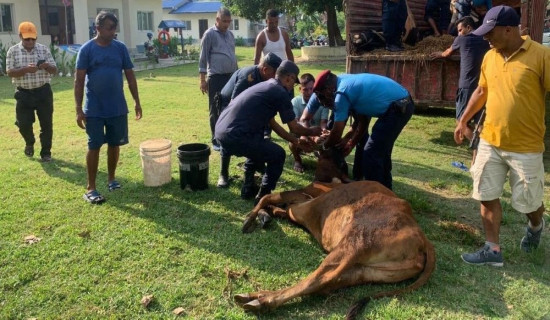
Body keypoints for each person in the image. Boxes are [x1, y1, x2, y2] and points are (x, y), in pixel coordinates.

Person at [454, 5, 550, 266]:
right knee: (485, 192)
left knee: (529, 203)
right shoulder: (490, 56)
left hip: (526, 146)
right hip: (490, 140)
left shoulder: (541, 56)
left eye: (490, 32)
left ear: (509, 29)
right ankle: (492, 250)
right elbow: (481, 91)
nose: (486, 38)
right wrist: (463, 120)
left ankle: (536, 225)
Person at [215, 61, 321, 204]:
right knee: (278, 154)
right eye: (293, 83)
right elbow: (294, 128)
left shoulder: (266, 86)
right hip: (236, 136)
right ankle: (264, 195)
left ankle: (248, 187)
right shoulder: (280, 92)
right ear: (289, 78)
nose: (292, 87)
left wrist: (296, 141)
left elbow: (273, 123)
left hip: (221, 132)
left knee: (259, 144)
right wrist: (313, 131)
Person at [302, 70, 414, 190]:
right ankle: (386, 189)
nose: (325, 102)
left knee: (371, 153)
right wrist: (307, 136)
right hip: (400, 103)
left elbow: (337, 132)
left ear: (329, 89)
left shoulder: (341, 93)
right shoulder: (327, 89)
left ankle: (376, 194)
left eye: (325, 99)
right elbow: (363, 121)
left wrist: (324, 147)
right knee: (381, 152)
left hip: (398, 107)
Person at [74, 11, 143, 204]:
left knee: (115, 144)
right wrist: (79, 109)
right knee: (94, 145)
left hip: (117, 107)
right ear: (98, 28)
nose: (114, 31)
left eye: (115, 27)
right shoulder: (87, 50)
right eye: (110, 28)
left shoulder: (120, 48)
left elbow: (130, 76)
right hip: (94, 108)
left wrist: (137, 101)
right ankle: (91, 188)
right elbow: (79, 81)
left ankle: (112, 179)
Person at [216, 52, 282, 188]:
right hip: (229, 106)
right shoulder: (249, 76)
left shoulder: (266, 79)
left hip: (245, 108)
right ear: (265, 69)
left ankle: (256, 165)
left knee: (256, 134)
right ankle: (223, 174)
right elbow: (234, 104)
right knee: (229, 134)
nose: (277, 78)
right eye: (275, 73)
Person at [431, 16, 489, 142]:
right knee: (479, 122)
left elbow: (447, 53)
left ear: (468, 27)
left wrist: (439, 54)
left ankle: (478, 145)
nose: (458, 33)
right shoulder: (485, 39)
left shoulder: (462, 39)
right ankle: (480, 150)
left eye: (460, 30)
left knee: (461, 120)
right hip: (483, 86)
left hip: (466, 85)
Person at [6, 21, 58, 162]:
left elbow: (54, 70)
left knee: (46, 124)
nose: (30, 41)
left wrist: (46, 66)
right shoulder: (13, 51)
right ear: (20, 36)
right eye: (26, 38)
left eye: (32, 38)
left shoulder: (43, 50)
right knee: (23, 124)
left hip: (43, 92)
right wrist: (25, 70)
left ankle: (46, 152)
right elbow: (10, 72)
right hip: (23, 93)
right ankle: (29, 142)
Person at [199, 7, 238, 152]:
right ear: (217, 20)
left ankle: (226, 136)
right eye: (224, 21)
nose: (226, 24)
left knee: (230, 107)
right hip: (216, 77)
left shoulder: (230, 35)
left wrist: (237, 74)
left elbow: (232, 56)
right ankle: (215, 139)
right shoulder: (209, 34)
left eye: (229, 21)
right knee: (215, 108)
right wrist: (202, 79)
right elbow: (203, 58)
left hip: (231, 76)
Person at [289, 73, 329, 173]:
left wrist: (324, 131)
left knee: (328, 138)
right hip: (302, 133)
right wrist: (309, 136)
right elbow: (296, 123)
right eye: (305, 89)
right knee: (292, 138)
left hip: (316, 134)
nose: (309, 92)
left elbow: (323, 123)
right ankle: (297, 160)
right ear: (300, 89)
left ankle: (322, 157)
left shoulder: (322, 101)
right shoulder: (295, 102)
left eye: (312, 89)